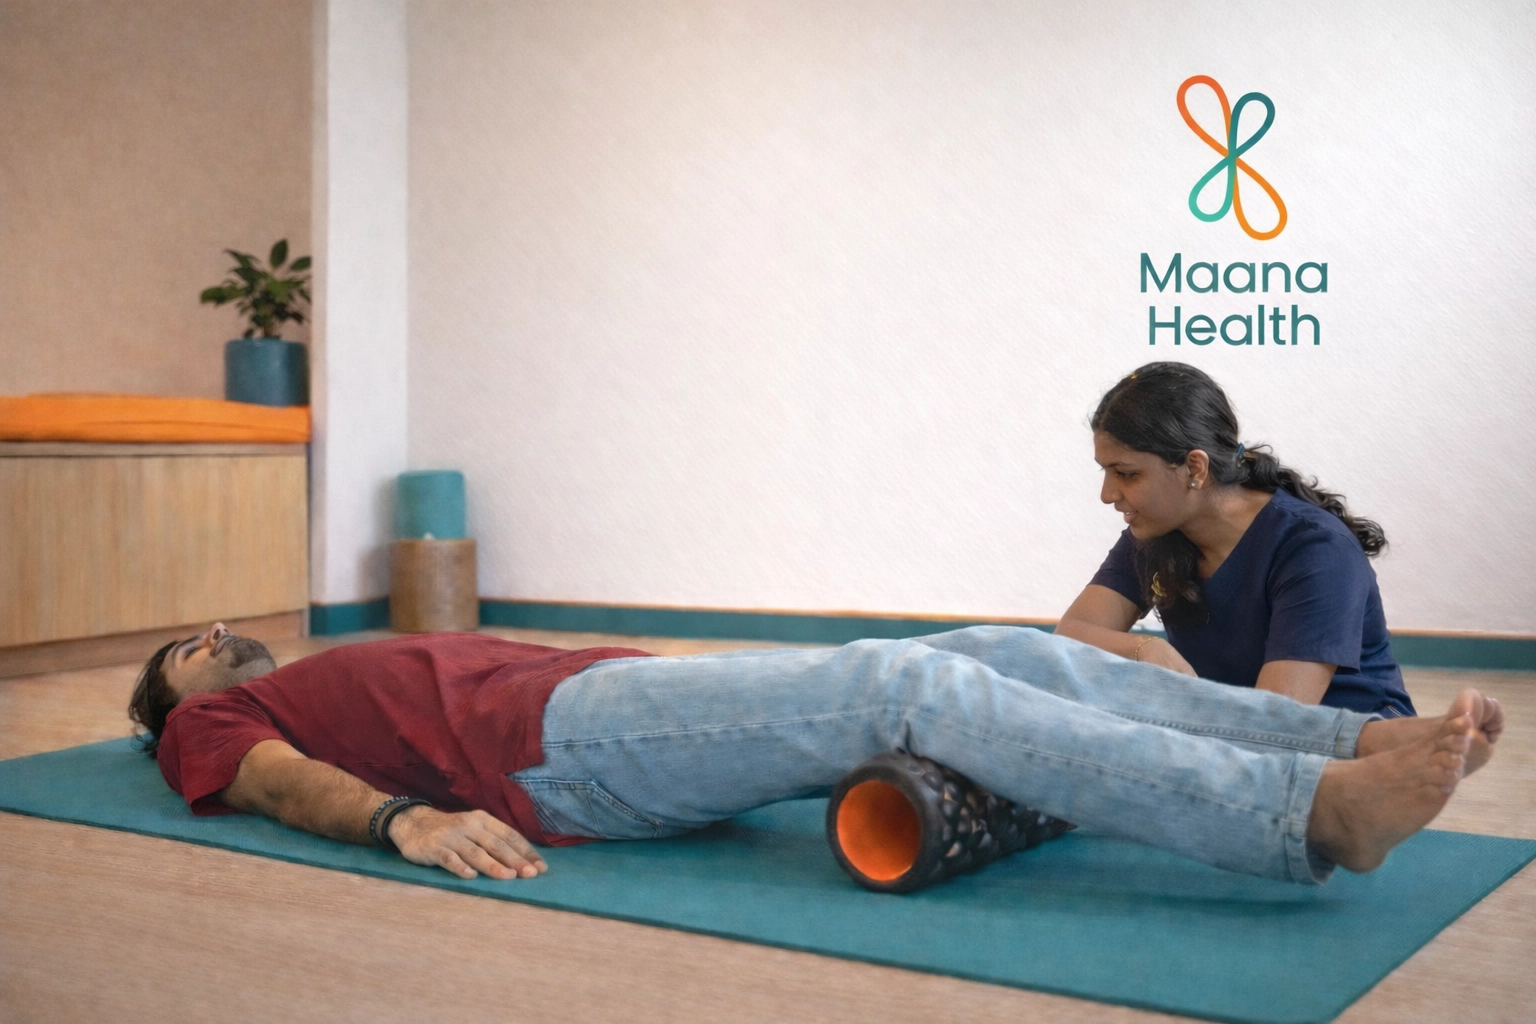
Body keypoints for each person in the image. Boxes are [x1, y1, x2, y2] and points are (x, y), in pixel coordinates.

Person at [128, 621, 1501, 887]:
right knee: (904, 685)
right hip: (558, 754)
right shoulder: (212, 722)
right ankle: (1303, 819)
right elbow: (268, 783)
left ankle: (1355, 740)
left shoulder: (323, 662)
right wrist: (397, 826)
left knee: (997, 652)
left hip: (617, 700)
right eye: (195, 645)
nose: (220, 642)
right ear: (176, 692)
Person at [1057, 362, 1415, 716]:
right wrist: (1145, 648)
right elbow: (1069, 637)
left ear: (1195, 468)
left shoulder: (1316, 550)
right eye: (1105, 471)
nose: (1107, 494)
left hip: (1352, 747)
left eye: (1127, 473)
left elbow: (1274, 722)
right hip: (1238, 737)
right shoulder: (1157, 533)